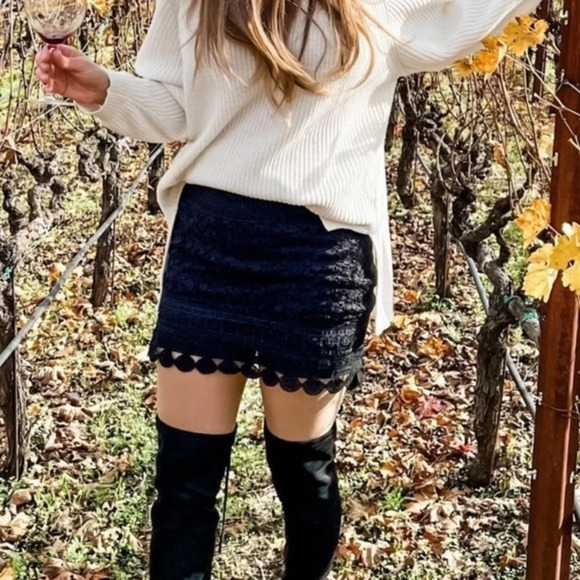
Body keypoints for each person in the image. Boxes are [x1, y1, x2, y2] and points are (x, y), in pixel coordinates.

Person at [36, 0, 542, 578]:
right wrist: (104, 88)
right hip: (211, 244)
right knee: (184, 484)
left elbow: (469, 17)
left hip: (320, 258)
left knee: (303, 473)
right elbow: (178, 106)